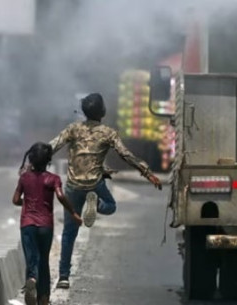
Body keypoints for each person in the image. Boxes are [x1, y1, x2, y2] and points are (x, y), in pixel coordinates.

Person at [48, 93, 162, 289]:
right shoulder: (109, 133)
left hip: (73, 186)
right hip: (95, 183)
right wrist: (148, 173)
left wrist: (33, 163)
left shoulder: (73, 129)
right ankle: (98, 205)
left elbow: (52, 146)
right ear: (102, 111)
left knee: (69, 233)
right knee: (111, 205)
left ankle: (64, 277)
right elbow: (126, 155)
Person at [14, 142, 83, 305]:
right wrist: (73, 213)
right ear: (48, 161)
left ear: (31, 159)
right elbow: (60, 196)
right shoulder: (53, 179)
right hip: (46, 225)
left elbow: (15, 200)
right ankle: (44, 299)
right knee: (43, 260)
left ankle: (31, 279)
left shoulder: (24, 178)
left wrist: (26, 202)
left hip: (27, 224)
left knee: (31, 259)